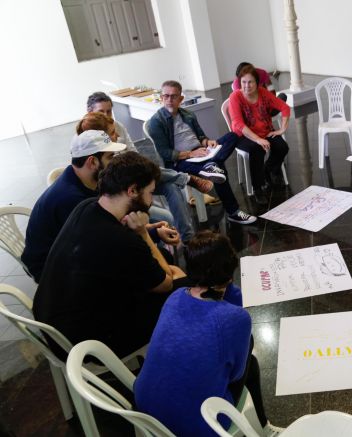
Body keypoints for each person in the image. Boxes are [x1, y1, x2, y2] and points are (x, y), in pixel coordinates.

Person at [33, 151, 186, 359]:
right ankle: (179, 358)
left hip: (53, 322)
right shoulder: (121, 242)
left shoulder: (86, 207)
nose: (150, 201)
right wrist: (143, 233)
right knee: (182, 288)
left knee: (164, 268)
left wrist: (148, 230)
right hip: (87, 345)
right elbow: (166, 283)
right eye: (150, 193)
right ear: (132, 190)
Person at [135, 231, 283, 437]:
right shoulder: (235, 318)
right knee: (250, 361)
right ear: (231, 270)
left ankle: (264, 427)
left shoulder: (175, 296)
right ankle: (264, 428)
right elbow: (236, 375)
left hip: (145, 410)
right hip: (197, 425)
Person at [21, 129, 125, 281]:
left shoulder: (80, 178)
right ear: (92, 162)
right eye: (110, 157)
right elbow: (100, 243)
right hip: (50, 270)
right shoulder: (72, 199)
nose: (114, 162)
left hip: (69, 253)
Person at [147, 80, 256, 224]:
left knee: (233, 135)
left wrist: (207, 142)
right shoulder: (156, 122)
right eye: (165, 96)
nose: (169, 100)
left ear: (181, 99)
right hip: (181, 161)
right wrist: (190, 154)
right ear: (161, 97)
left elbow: (200, 136)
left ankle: (211, 165)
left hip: (202, 152)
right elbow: (165, 153)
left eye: (173, 96)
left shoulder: (188, 114)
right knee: (219, 170)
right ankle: (233, 212)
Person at [75, 112, 178, 231]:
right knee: (162, 217)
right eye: (111, 156)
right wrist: (146, 232)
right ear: (92, 162)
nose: (118, 136)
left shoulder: (92, 178)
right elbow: (115, 231)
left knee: (166, 207)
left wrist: (151, 230)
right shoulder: (80, 201)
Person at [228, 64, 290, 204]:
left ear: (257, 83)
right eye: (243, 82)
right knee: (257, 149)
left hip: (264, 131)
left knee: (282, 147)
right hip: (242, 135)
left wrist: (282, 130)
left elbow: (284, 107)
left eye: (250, 82)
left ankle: (267, 170)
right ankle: (258, 189)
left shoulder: (263, 92)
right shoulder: (235, 97)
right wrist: (257, 139)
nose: (247, 86)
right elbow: (238, 123)